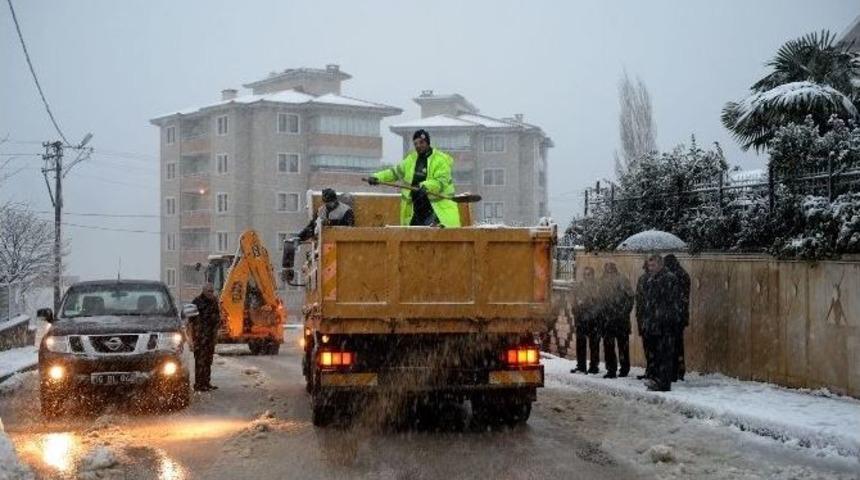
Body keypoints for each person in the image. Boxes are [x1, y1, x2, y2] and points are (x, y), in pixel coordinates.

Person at [367, 129, 460, 228]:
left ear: (428, 142)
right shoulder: (411, 160)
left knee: (430, 235)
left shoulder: (440, 160)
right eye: (415, 144)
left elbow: (441, 182)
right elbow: (394, 173)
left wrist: (425, 186)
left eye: (421, 142)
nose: (418, 146)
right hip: (416, 211)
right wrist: (377, 177)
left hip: (437, 212)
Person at [640, 255, 680, 392]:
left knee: (664, 354)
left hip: (664, 323)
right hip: (653, 323)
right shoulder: (652, 279)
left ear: (660, 265)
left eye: (653, 265)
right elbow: (648, 302)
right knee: (655, 354)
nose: (651, 268)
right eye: (649, 266)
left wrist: (662, 318)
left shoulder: (668, 278)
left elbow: (670, 301)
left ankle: (663, 382)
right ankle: (655, 379)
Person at [599, 262, 634, 378]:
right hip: (607, 319)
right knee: (608, 346)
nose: (609, 272)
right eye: (607, 270)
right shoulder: (602, 281)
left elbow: (630, 298)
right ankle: (611, 369)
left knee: (623, 345)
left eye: (611, 269)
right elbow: (598, 299)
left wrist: (623, 312)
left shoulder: (622, 280)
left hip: (620, 320)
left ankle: (624, 368)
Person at [663, 254, 690, 381]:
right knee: (677, 344)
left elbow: (675, 297)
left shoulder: (674, 276)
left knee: (674, 344)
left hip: (675, 316)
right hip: (678, 315)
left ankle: (675, 370)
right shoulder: (681, 274)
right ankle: (678, 369)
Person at [571, 267, 602, 374]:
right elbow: (574, 301)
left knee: (594, 344)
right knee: (580, 344)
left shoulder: (596, 287)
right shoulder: (579, 287)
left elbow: (599, 303)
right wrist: (576, 310)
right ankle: (581, 366)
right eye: (585, 274)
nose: (587, 276)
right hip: (581, 319)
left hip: (593, 320)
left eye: (589, 274)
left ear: (592, 275)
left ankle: (594, 366)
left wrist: (590, 310)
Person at [191, 283, 220, 392]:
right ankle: (199, 384)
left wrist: (215, 334)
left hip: (210, 336)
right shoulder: (197, 302)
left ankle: (206, 382)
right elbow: (190, 320)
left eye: (212, 291)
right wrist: (192, 337)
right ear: (203, 291)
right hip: (200, 337)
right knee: (200, 361)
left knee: (208, 360)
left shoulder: (214, 302)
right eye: (209, 291)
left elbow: (217, 318)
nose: (211, 293)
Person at [634, 260, 652, 380]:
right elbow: (638, 298)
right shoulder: (643, 279)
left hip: (649, 318)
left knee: (650, 347)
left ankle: (652, 370)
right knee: (648, 346)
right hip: (645, 317)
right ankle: (650, 370)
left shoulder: (652, 279)